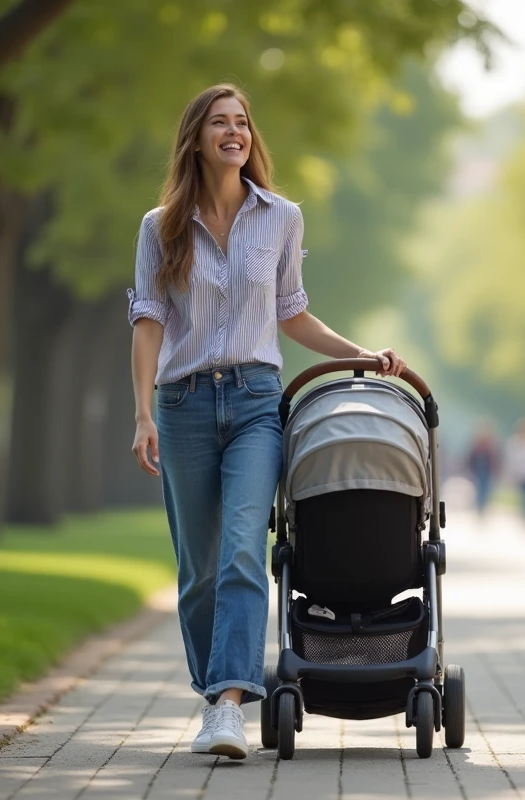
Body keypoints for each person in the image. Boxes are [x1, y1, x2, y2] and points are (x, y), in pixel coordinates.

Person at [128, 84, 406, 760]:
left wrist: (358, 353)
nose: (234, 132)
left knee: (244, 550)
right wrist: (142, 413)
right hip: (184, 403)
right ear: (196, 138)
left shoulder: (281, 218)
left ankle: (228, 704)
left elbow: (291, 312)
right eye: (220, 123)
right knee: (197, 569)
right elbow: (147, 324)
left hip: (256, 401)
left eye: (242, 122)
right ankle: (215, 689)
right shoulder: (159, 225)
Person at [466, 420, 500, 518]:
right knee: (478, 489)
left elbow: (496, 459)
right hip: (477, 470)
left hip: (487, 471)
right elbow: (471, 457)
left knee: (485, 489)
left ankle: (483, 507)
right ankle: (479, 507)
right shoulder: (476, 444)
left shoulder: (492, 445)